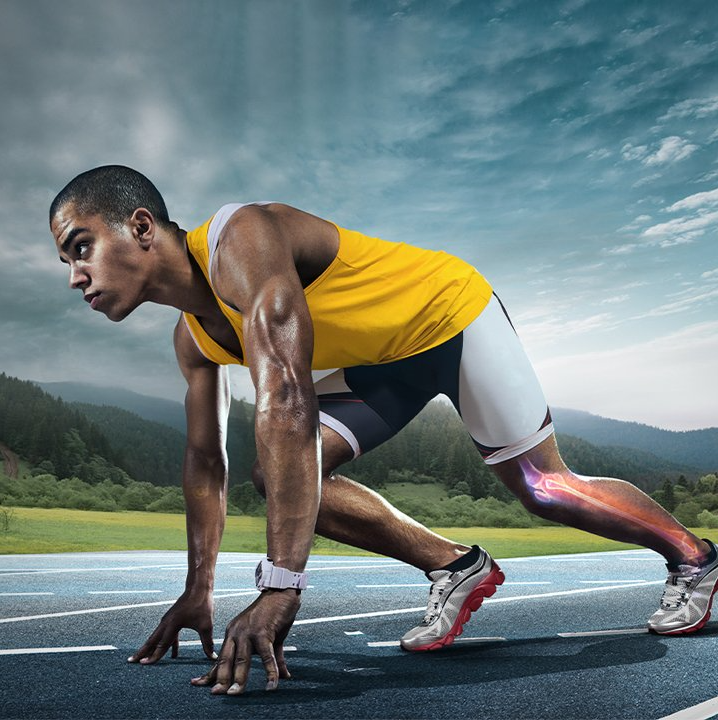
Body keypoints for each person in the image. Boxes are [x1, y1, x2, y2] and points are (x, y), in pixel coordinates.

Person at [50, 165, 718, 696]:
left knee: (543, 487)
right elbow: (204, 463)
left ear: (141, 226)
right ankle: (457, 566)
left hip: (451, 316)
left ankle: (695, 558)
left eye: (81, 248)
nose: (75, 275)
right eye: (65, 261)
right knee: (277, 473)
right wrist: (199, 588)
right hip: (388, 360)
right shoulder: (192, 340)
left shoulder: (241, 238)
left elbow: (285, 395)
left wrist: (282, 583)